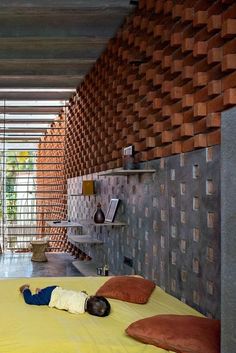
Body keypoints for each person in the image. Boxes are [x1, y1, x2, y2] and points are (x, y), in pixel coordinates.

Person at [19, 284, 110, 317]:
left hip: (55, 288)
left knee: (43, 294)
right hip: (50, 298)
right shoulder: (79, 310)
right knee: (30, 300)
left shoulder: (84, 295)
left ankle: (41, 292)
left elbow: (80, 293)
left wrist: (84, 294)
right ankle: (25, 289)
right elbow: (70, 309)